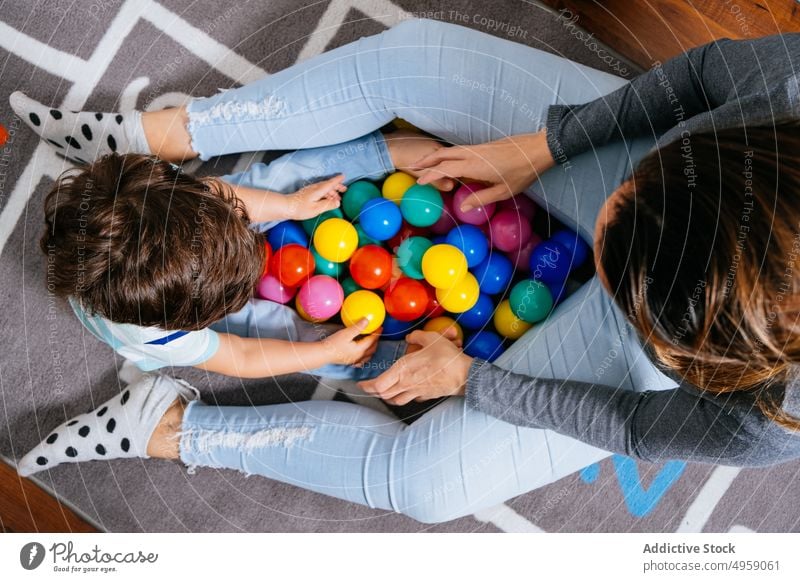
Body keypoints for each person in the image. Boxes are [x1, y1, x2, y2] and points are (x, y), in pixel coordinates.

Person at [13, 19, 800, 524]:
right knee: (414, 59)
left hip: (668, 329)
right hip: (685, 188)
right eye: (625, 202)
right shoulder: (785, 86)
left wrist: (471, 379)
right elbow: (702, 83)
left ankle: (172, 429)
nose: (598, 222)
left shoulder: (770, 419)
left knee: (427, 486)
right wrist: (552, 144)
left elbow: (633, 424)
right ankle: (159, 140)